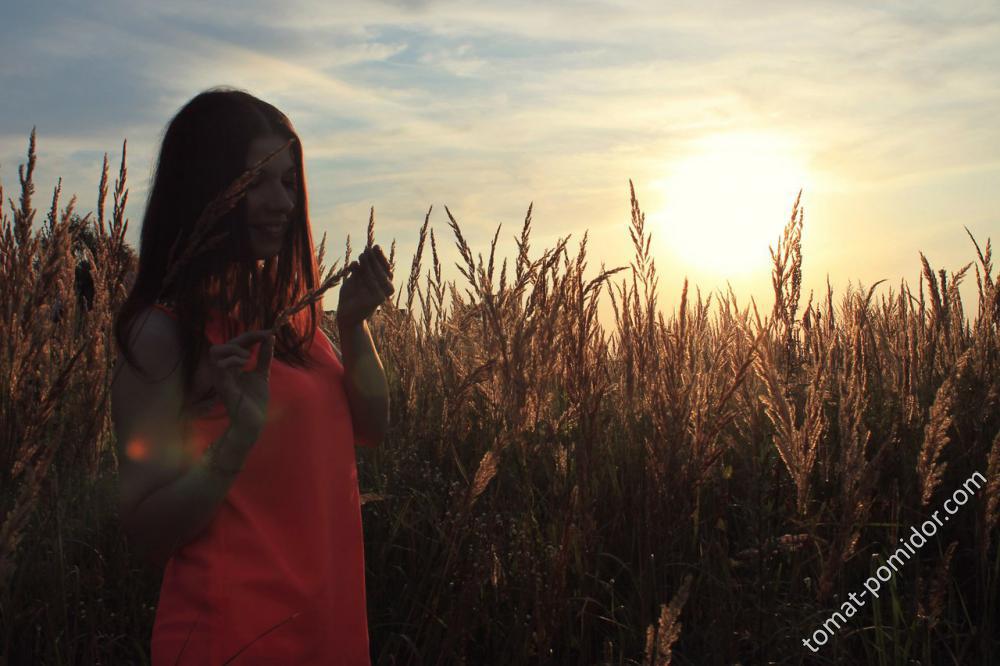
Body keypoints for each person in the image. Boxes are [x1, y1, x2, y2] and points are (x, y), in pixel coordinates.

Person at [110, 87, 394, 664]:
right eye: (257, 180)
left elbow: (371, 427)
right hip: (232, 640)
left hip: (330, 636)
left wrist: (353, 325)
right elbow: (147, 533)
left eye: (288, 182)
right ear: (205, 187)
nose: (282, 201)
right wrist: (236, 442)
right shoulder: (164, 335)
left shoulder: (289, 327)